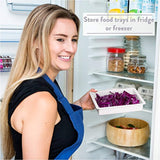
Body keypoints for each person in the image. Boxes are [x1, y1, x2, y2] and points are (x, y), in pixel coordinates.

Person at [0, 4, 96, 160]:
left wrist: (79, 105)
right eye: (60, 39)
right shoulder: (42, 101)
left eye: (74, 39)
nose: (71, 48)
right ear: (35, 41)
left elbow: (54, 126)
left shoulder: (39, 81)